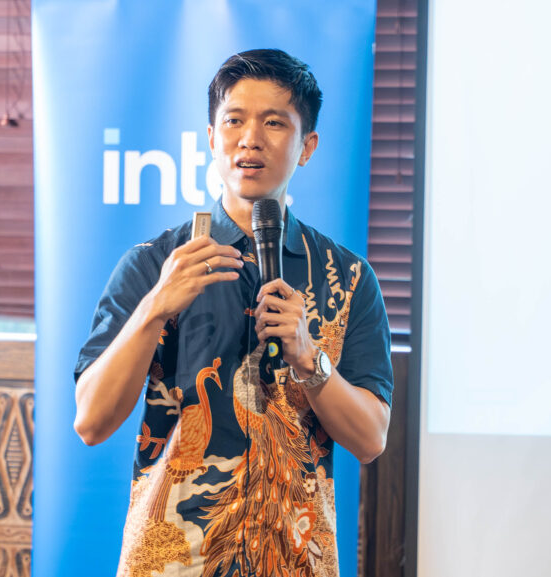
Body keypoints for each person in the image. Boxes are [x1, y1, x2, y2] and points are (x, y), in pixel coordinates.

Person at [74, 48, 393, 577]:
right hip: (171, 563)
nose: (251, 139)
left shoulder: (349, 277)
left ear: (307, 146)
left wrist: (309, 357)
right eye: (234, 121)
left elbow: (370, 440)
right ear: (211, 138)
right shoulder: (154, 264)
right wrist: (154, 309)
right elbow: (90, 422)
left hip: (296, 561)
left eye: (274, 123)